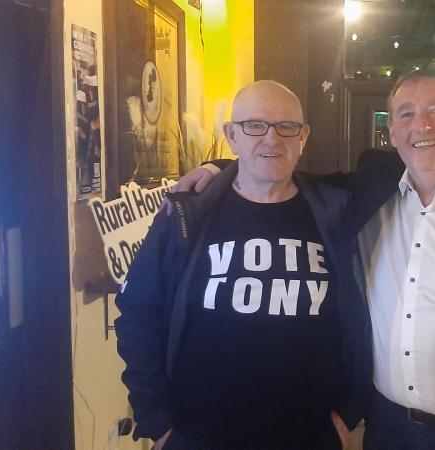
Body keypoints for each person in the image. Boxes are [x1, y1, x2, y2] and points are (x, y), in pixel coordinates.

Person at [178, 72, 435, 449]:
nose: (423, 125)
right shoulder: (371, 186)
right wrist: (222, 166)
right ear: (392, 132)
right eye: (406, 114)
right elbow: (288, 173)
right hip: (386, 429)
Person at [115, 80, 352, 450]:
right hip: (199, 435)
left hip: (308, 434)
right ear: (232, 135)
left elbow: (364, 319)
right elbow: (137, 314)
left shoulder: (335, 213)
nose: (272, 139)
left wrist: (349, 411)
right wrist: (157, 421)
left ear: (303, 137)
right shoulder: (186, 213)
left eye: (287, 127)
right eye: (255, 125)